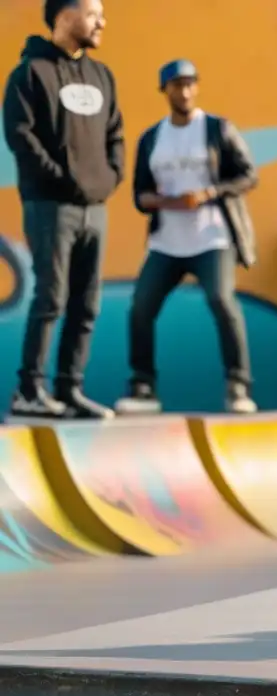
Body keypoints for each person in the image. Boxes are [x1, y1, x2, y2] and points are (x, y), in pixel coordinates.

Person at [114, 59, 258, 416]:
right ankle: (143, 386)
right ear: (165, 90)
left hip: (212, 238)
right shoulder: (152, 138)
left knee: (222, 302)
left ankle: (237, 386)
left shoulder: (216, 129)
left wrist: (209, 193)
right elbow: (139, 195)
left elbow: (248, 176)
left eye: (191, 83)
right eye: (177, 85)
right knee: (141, 307)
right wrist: (161, 201)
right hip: (167, 242)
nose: (185, 91)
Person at [2, 0, 123, 419]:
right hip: (50, 205)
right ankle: (29, 392)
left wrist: (108, 179)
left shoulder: (101, 75)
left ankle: (69, 390)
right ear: (65, 16)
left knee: (86, 302)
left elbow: (115, 134)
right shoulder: (29, 74)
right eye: (93, 14)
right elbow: (21, 136)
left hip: (95, 208)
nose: (102, 22)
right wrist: (63, 180)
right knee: (51, 297)